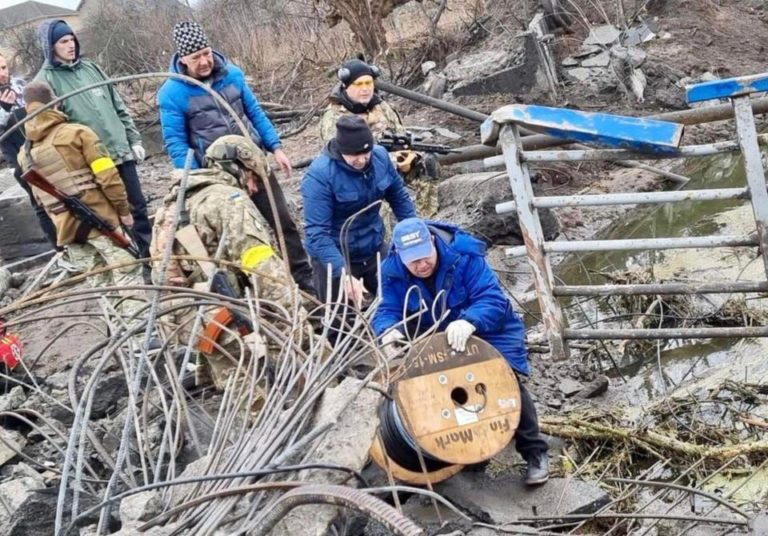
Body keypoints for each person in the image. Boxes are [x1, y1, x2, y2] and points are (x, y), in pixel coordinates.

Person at [372, 217, 550, 486]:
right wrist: (388, 330)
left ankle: (535, 452)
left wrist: (470, 321)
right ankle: (470, 450)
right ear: (400, 255)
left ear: (432, 242)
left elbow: (492, 299)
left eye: (425, 257)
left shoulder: (464, 255)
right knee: (440, 389)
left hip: (490, 329)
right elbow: (386, 309)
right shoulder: (392, 270)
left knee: (502, 380)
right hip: (435, 335)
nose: (421, 265)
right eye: (413, 262)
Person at [157, 21, 315, 295]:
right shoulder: (172, 93)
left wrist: (275, 147)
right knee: (239, 235)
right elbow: (177, 144)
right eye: (196, 58)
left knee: (282, 221)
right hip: (220, 178)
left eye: (206, 53)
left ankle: (303, 277)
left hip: (254, 163)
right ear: (182, 60)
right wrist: (199, 181)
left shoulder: (232, 75)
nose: (204, 61)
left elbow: (254, 113)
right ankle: (255, 290)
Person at [150, 135, 297, 389]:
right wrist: (292, 314)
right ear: (237, 168)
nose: (254, 188)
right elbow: (262, 265)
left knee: (234, 388)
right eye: (252, 178)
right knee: (258, 384)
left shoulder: (174, 203)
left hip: (183, 319)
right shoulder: (229, 201)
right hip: (220, 321)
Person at [17, 81, 145, 319]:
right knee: (129, 277)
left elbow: (41, 202)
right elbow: (108, 178)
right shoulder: (78, 133)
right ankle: (144, 343)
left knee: (103, 288)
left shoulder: (25, 154)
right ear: (55, 102)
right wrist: (123, 211)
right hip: (102, 222)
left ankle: (123, 344)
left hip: (69, 233)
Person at [35, 20, 152, 265]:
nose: (70, 46)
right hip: (92, 161)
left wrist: (133, 139)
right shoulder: (45, 81)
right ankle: (131, 261)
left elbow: (118, 105)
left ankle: (150, 256)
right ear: (50, 47)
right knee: (110, 214)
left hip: (120, 151)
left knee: (137, 207)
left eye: (72, 40)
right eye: (63, 42)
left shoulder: (91, 68)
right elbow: (51, 128)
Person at [301, 115, 416, 304]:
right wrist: (343, 273)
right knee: (340, 322)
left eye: (366, 153)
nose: (361, 160)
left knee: (401, 301)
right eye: (354, 155)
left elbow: (399, 198)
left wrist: (413, 231)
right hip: (334, 254)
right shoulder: (319, 176)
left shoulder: (380, 157)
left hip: (373, 247)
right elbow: (317, 234)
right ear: (341, 150)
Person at [319, 58, 440, 218]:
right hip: (355, 177)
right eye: (359, 84)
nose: (365, 89)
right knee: (378, 192)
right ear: (346, 86)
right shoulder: (334, 118)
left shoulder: (381, 106)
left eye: (368, 83)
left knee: (427, 162)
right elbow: (345, 161)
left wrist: (409, 155)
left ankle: (422, 219)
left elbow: (400, 134)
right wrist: (392, 160)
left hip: (389, 165)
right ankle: (386, 236)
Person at [0, 53, 58, 248]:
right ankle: (59, 248)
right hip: (16, 155)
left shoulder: (21, 85)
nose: (2, 74)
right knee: (39, 201)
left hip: (42, 146)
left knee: (62, 192)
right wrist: (4, 109)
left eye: (3, 68)